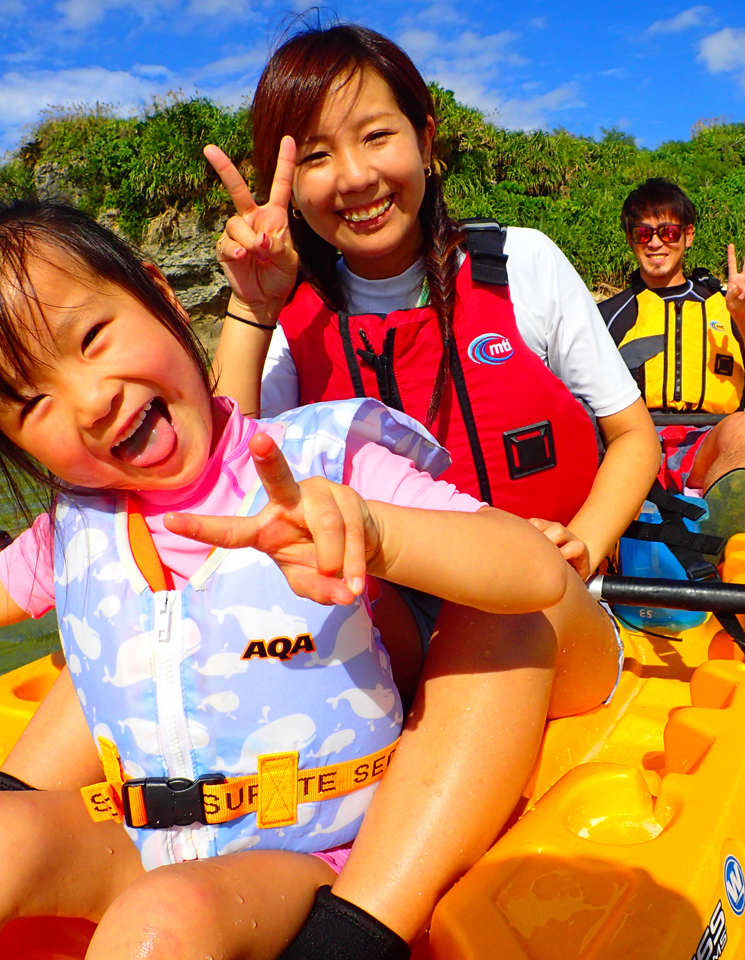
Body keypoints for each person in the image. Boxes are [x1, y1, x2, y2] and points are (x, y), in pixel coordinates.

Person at [0, 199, 582, 959]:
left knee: (161, 921)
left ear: (159, 295)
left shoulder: (321, 458)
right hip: (151, 838)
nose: (90, 400)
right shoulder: (84, 522)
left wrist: (375, 534)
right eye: (31, 402)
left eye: (91, 336)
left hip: (311, 851)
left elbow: (531, 571)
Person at [201, 23, 660, 955]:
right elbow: (217, 485)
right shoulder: (292, 319)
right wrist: (252, 304)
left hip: (548, 612)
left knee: (497, 594)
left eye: (377, 136)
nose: (356, 177)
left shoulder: (519, 265)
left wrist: (586, 537)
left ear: (426, 135)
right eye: (317, 156)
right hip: (388, 632)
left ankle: (358, 928)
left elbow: (631, 439)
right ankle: (7, 820)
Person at [598, 178, 745, 538]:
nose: (655, 243)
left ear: (688, 235)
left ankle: (722, 534)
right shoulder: (610, 315)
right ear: (630, 238)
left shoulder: (725, 303)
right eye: (642, 233)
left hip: (706, 442)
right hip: (636, 442)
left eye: (667, 231)